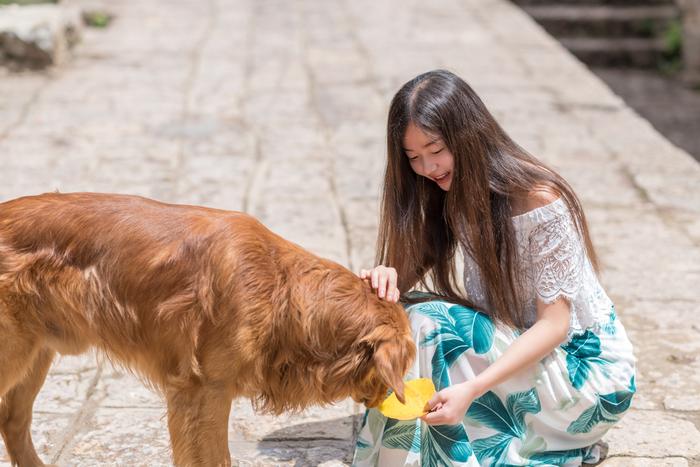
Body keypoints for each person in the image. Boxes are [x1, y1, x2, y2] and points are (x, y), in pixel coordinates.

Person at [352, 70, 636, 466]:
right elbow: (408, 272)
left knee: (432, 321)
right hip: (529, 355)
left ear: (467, 135)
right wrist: (386, 276)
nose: (428, 167)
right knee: (406, 311)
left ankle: (419, 454)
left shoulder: (539, 200)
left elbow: (554, 325)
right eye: (413, 157)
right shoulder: (450, 191)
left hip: (586, 377)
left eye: (435, 149)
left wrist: (472, 387)